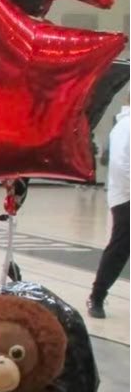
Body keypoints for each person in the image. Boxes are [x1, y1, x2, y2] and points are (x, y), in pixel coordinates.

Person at [88, 102, 129, 319]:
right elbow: (122, 165)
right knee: (120, 248)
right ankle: (97, 296)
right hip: (126, 197)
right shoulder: (126, 126)